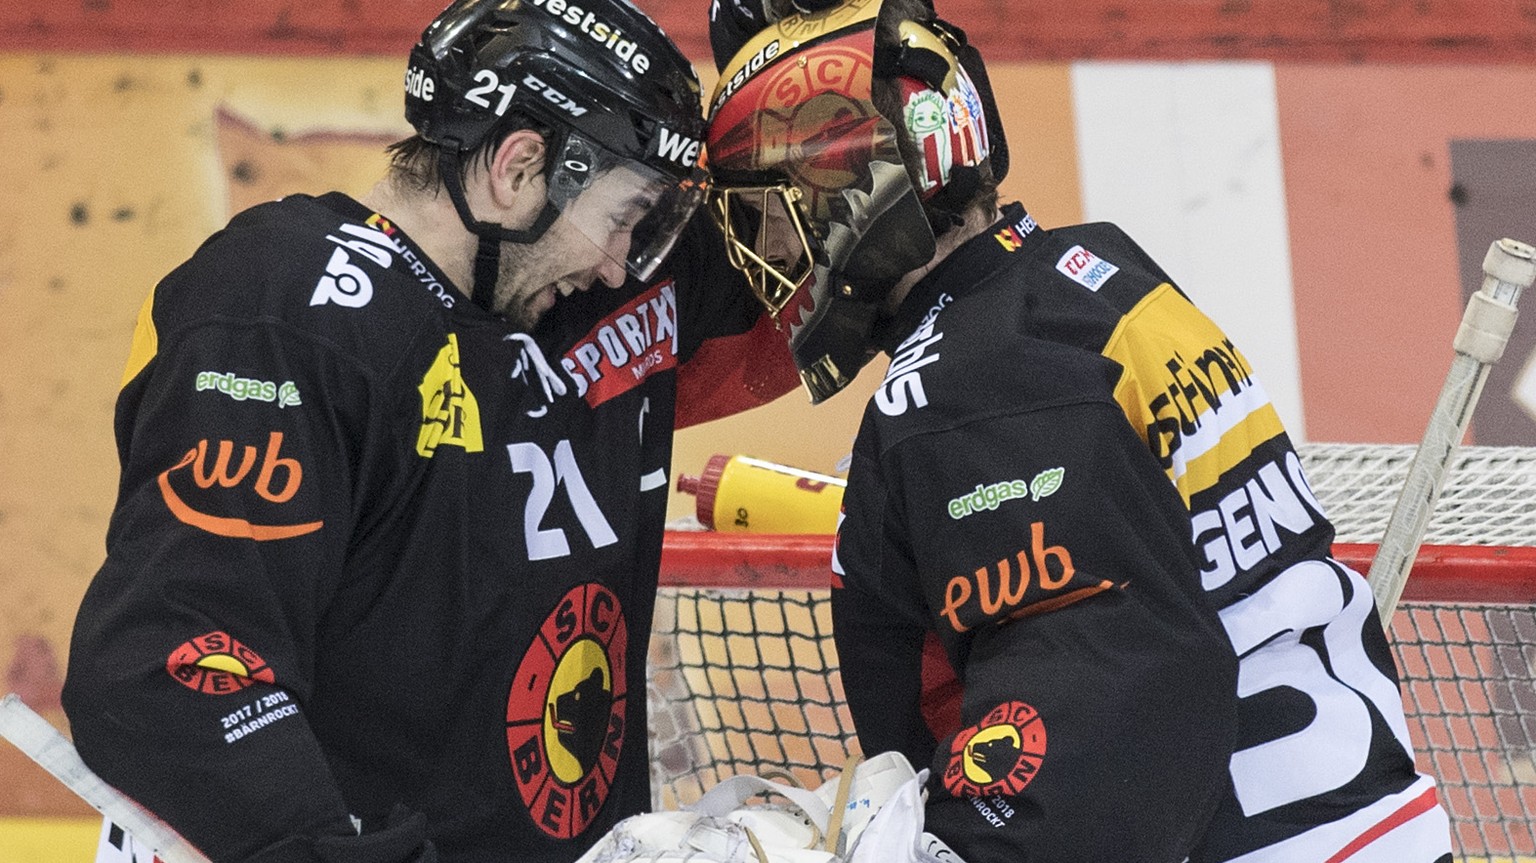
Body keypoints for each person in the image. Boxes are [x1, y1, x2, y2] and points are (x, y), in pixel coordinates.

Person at [703, 1, 1455, 861]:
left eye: (771, 217)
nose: (766, 257)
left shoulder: (964, 388)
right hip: (1361, 822)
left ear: (860, 191)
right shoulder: (1091, 274)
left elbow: (1103, 696)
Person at [60, 0, 797, 860]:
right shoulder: (283, 311)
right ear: (520, 169)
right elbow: (172, 667)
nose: (618, 260)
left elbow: (819, 255)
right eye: (624, 217)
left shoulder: (580, 289)